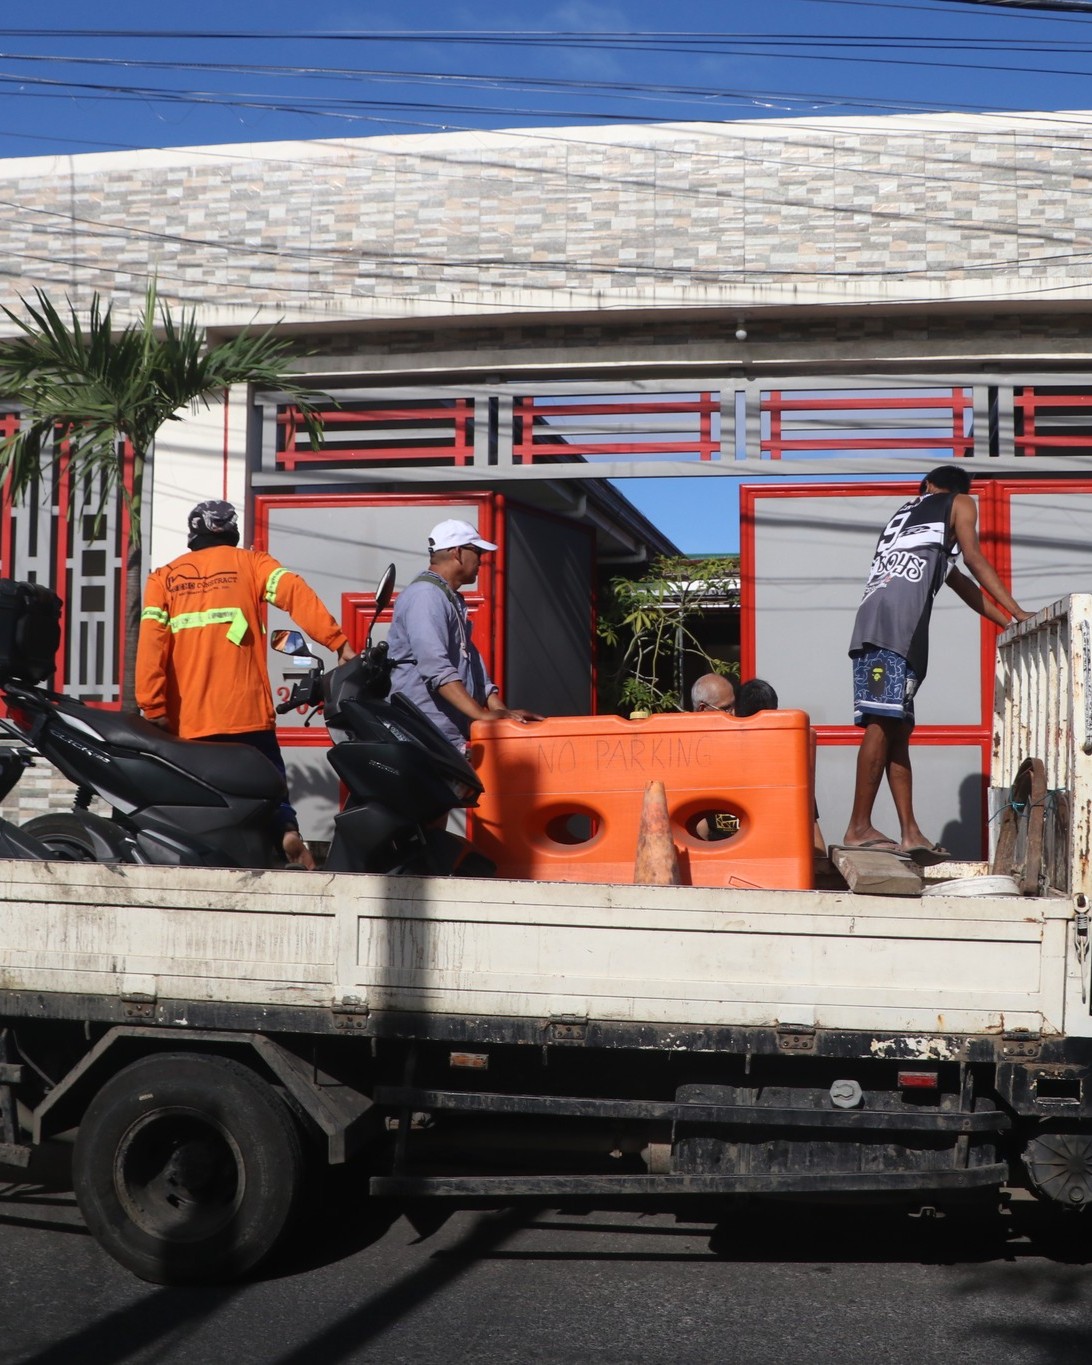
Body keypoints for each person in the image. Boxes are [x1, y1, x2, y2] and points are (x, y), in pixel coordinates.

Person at [135, 499, 355, 869]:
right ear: (233, 532)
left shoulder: (164, 578)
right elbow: (297, 594)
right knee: (269, 787)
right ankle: (286, 830)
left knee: (197, 796)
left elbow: (151, 644)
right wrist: (340, 644)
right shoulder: (253, 564)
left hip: (189, 724)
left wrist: (153, 707)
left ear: (193, 536)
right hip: (247, 714)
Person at [841, 465, 1033, 863]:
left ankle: (910, 831)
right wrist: (1017, 612)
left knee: (897, 727)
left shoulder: (907, 519)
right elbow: (976, 560)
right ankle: (859, 826)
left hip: (876, 623)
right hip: (896, 627)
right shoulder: (958, 502)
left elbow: (961, 583)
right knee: (881, 722)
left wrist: (1008, 624)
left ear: (927, 485)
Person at [386, 518, 544, 751]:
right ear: (457, 552)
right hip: (423, 736)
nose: (481, 560)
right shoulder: (426, 596)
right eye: (477, 552)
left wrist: (501, 713)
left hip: (444, 735)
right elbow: (435, 667)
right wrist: (482, 715)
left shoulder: (448, 597)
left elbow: (475, 671)